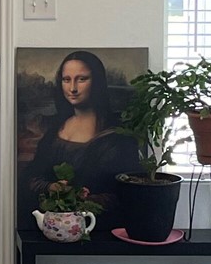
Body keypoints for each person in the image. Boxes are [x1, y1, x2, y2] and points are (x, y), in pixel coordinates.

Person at [21, 51, 141, 225]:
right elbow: (31, 178)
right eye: (66, 80)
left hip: (101, 226)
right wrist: (52, 187)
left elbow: (126, 192)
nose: (73, 88)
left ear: (97, 82)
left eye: (82, 79)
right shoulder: (54, 130)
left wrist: (84, 199)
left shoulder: (117, 135)